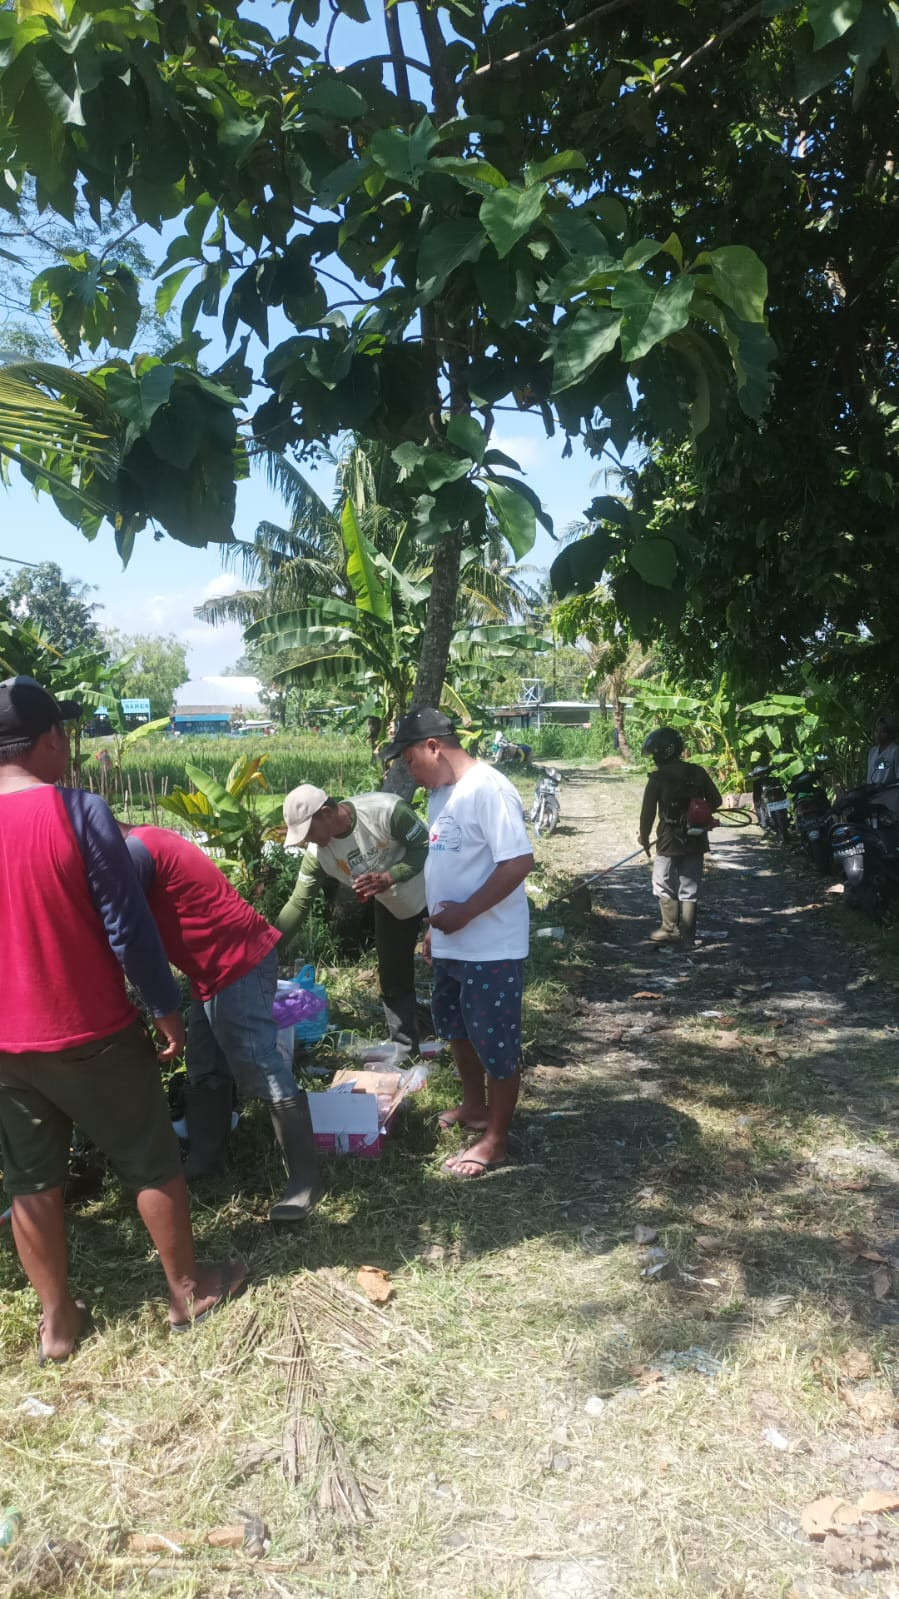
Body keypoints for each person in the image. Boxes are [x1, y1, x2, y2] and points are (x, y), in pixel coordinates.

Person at [0, 676, 245, 1363]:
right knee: (149, 1160)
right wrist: (166, 1008)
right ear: (50, 738)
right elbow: (128, 926)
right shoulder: (78, 810)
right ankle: (188, 1291)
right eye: (65, 734)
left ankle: (57, 1324)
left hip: (6, 1045)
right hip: (89, 1029)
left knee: (31, 1181)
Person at [122, 824, 320, 1221]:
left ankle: (306, 1179)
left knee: (257, 1061)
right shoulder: (144, 839)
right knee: (204, 1061)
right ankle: (206, 1157)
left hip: (237, 960)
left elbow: (124, 929)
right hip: (211, 967)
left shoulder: (136, 851)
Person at [381, 708, 534, 1180]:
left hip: (490, 947)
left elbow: (518, 862)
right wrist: (436, 928)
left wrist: (465, 913)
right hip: (451, 943)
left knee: (496, 1041)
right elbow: (449, 864)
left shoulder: (489, 789)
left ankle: (497, 1140)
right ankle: (474, 1107)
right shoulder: (441, 794)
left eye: (409, 760)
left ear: (433, 747)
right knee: (456, 1028)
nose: (409, 771)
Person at [276, 784, 429, 1053]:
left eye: (309, 832)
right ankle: (405, 1046)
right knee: (393, 971)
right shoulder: (319, 855)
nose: (308, 840)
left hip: (437, 889)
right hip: (394, 904)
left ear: (326, 813)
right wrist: (268, 950)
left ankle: (467, 1034)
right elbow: (299, 902)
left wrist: (391, 875)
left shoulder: (386, 811)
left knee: (456, 962)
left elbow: (426, 846)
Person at [638, 727, 722, 948]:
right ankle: (688, 938)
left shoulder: (658, 779)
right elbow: (716, 800)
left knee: (662, 881)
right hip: (696, 838)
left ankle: (670, 929)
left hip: (668, 839)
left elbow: (647, 813)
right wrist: (698, 812)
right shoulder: (697, 772)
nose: (654, 758)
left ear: (663, 753)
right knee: (689, 886)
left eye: (655, 754)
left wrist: (644, 838)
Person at [866, 716, 899, 815]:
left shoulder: (895, 751)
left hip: (890, 802)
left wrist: (884, 785)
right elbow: (869, 777)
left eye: (883, 732)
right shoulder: (872, 752)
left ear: (891, 734)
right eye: (876, 731)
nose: (878, 735)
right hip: (873, 801)